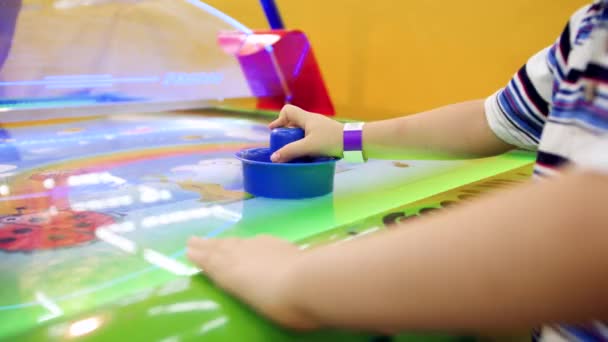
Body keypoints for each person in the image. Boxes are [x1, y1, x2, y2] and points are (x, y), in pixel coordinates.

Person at [187, 2, 608, 340]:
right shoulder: (589, 30)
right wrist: (345, 138)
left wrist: (294, 282)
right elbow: (495, 120)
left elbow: (589, 225)